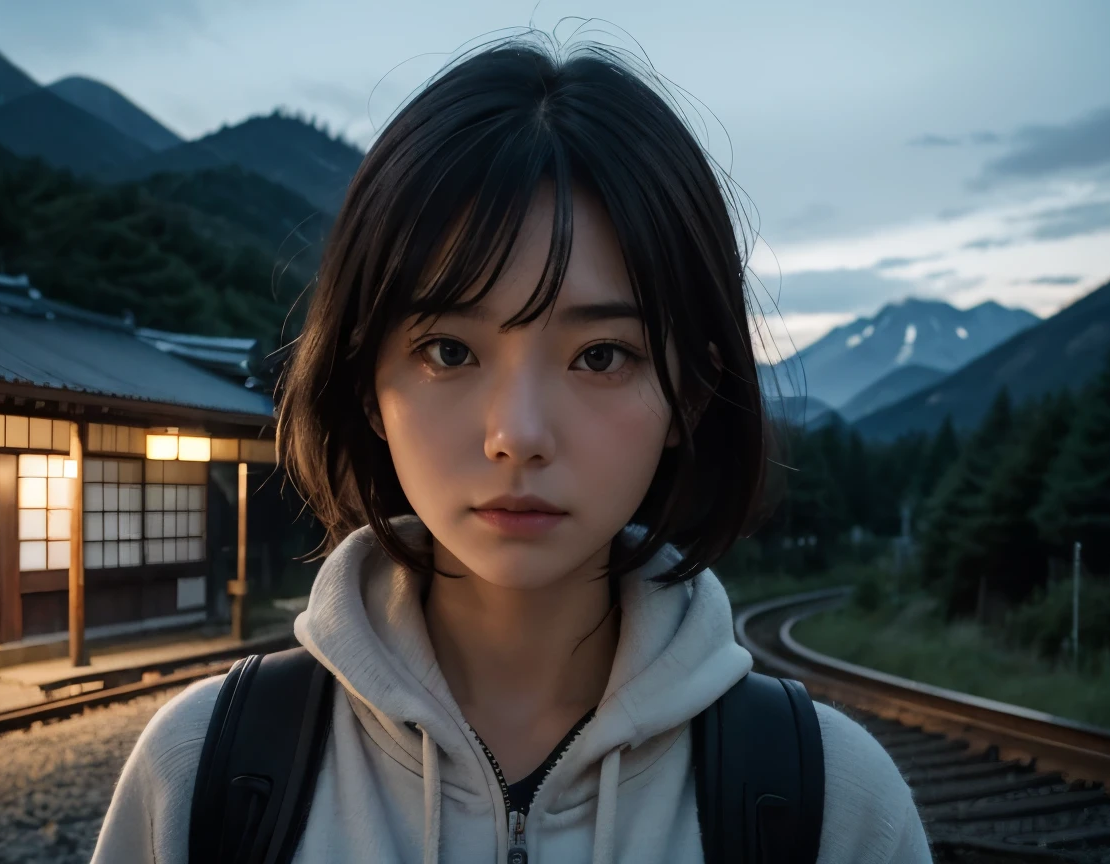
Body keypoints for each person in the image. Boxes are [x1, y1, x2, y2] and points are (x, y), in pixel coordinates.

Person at [91, 34, 932, 864]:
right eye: (449, 351)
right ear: (366, 385)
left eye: (601, 356)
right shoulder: (203, 776)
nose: (517, 436)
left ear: (691, 395)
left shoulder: (832, 809)